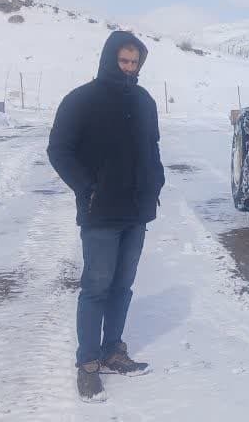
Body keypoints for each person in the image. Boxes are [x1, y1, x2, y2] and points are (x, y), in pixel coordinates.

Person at [47, 30, 165, 403]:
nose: (129, 68)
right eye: (123, 61)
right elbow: (59, 150)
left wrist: (156, 182)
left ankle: (113, 350)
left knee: (122, 286)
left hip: (136, 211)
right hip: (100, 213)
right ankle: (87, 365)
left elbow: (152, 147)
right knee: (96, 288)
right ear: (109, 58)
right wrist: (87, 187)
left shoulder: (144, 100)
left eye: (135, 62)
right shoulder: (83, 99)